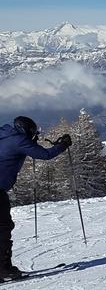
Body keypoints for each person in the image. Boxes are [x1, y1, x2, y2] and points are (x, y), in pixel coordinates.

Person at [0, 116, 72, 280]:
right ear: (26, 129)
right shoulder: (18, 140)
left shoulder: (5, 136)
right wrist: (63, 145)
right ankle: (3, 270)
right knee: (3, 228)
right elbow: (45, 154)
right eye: (33, 131)